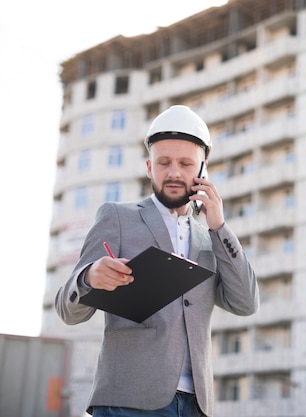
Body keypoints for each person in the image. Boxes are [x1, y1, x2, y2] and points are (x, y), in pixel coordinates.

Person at [55, 105, 259, 417]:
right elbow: (67, 311)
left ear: (203, 171)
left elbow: (245, 302)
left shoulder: (210, 238)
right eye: (164, 163)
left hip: (196, 405)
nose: (174, 172)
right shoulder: (117, 217)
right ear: (150, 167)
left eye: (185, 164)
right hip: (129, 401)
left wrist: (219, 227)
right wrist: (88, 278)